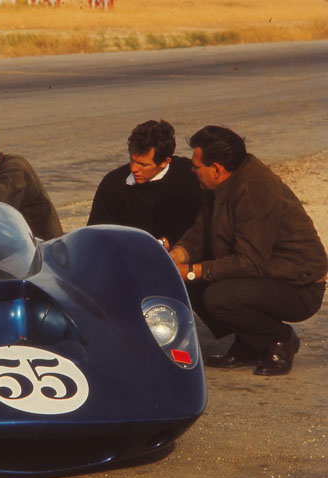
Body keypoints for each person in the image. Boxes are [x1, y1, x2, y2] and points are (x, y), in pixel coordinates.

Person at [169, 125, 327, 375]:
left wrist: (191, 271)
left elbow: (250, 262)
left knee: (218, 296)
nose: (192, 170)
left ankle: (280, 339)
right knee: (192, 281)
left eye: (197, 166)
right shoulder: (221, 183)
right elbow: (202, 230)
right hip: (266, 273)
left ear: (217, 169)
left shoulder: (254, 189)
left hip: (299, 286)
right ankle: (249, 342)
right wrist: (177, 255)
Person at [88, 119, 203, 247]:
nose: (133, 169)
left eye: (143, 164)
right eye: (132, 160)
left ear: (165, 162)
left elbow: (198, 222)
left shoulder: (189, 174)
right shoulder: (112, 184)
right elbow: (96, 233)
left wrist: (166, 242)